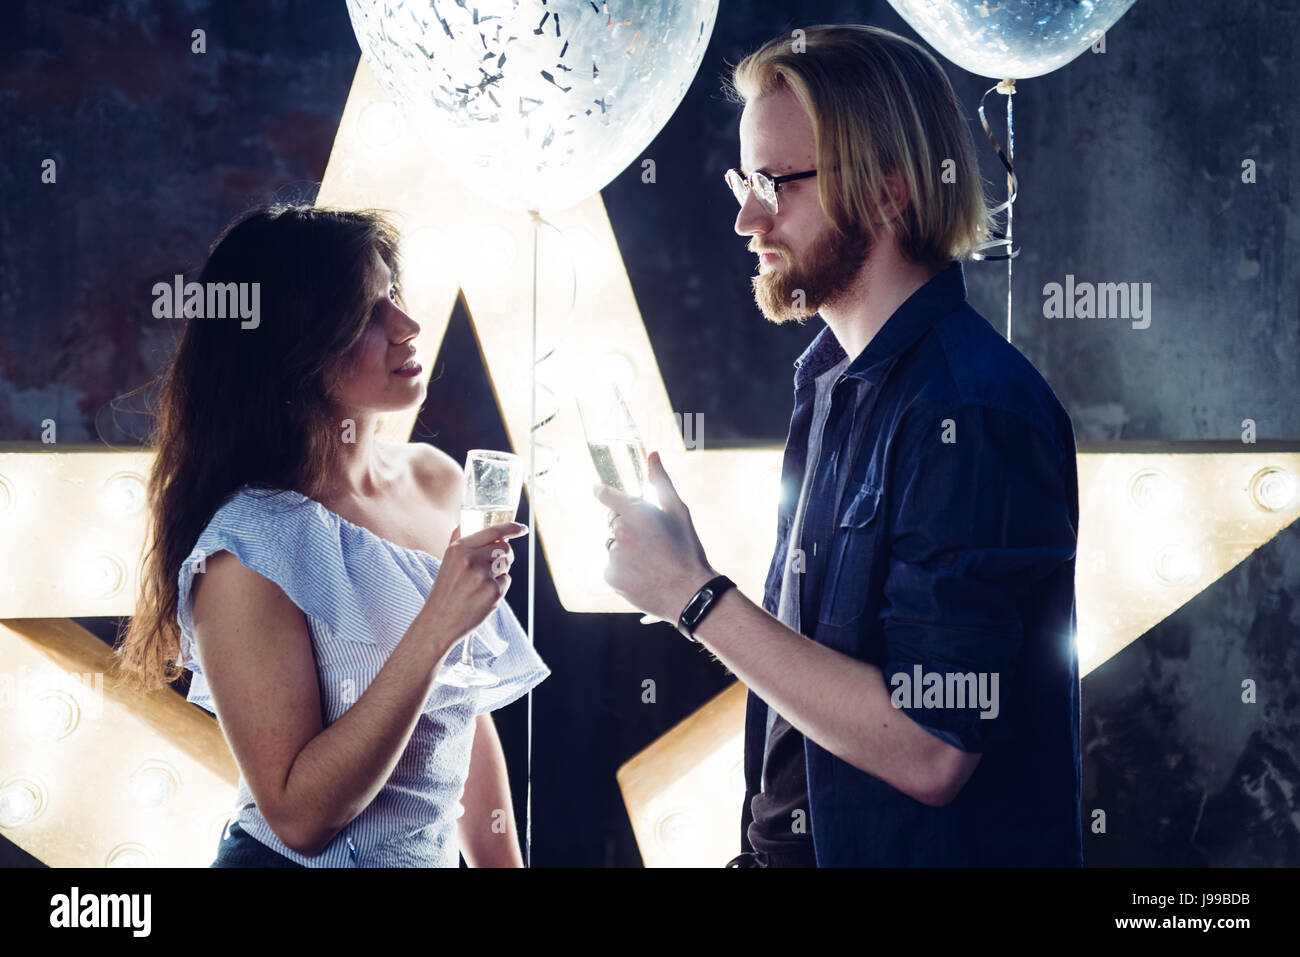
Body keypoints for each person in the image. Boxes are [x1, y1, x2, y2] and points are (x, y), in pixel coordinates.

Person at [596, 24, 1082, 866]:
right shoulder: (828, 383)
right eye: (743, 180)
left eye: (776, 183)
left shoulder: (972, 413)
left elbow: (934, 746)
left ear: (891, 190)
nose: (748, 217)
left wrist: (695, 596)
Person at [114, 203, 548, 867]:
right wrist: (436, 623)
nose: (408, 326)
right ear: (294, 345)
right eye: (370, 311)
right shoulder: (249, 548)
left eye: (394, 294)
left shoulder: (436, 480)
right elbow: (299, 816)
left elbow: (459, 709)